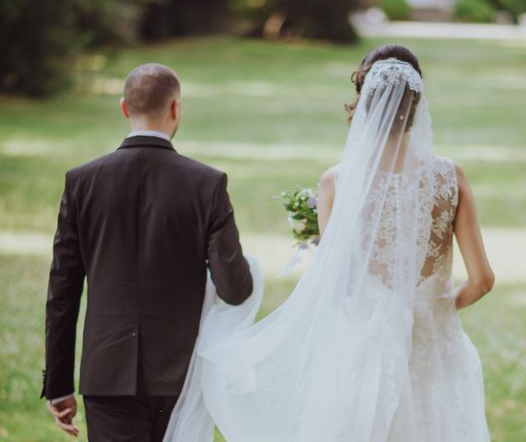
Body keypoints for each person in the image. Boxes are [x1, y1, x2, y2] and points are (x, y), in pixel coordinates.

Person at [167, 44, 494, 441]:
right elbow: (482, 280)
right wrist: (433, 311)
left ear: (364, 102)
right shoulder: (449, 177)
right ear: (418, 101)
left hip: (362, 349)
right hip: (432, 349)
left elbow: (336, 285)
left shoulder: (337, 182)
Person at [42, 63, 253, 441]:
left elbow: (63, 293)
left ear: (124, 108)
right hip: (181, 374)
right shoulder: (207, 184)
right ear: (176, 109)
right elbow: (235, 290)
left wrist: (58, 384)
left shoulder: (81, 181)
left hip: (106, 375)